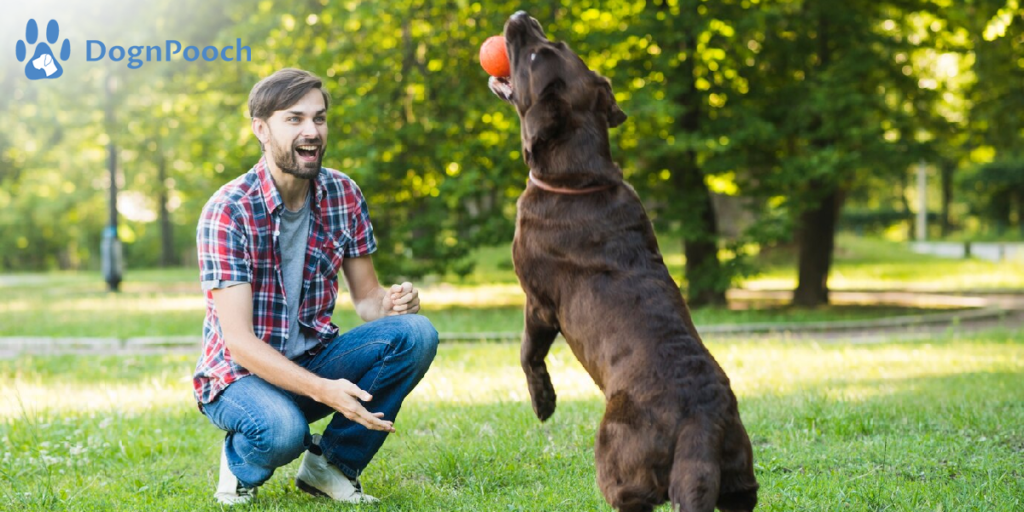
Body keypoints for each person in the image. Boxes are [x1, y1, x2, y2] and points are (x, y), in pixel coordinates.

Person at [193, 68, 438, 505]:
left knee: (416, 334)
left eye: (319, 119)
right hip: (239, 377)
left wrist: (394, 302)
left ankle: (331, 466)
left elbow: (367, 300)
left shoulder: (343, 194)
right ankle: (239, 462)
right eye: (295, 119)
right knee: (283, 432)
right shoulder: (228, 211)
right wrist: (324, 391)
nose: (312, 132)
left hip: (313, 360)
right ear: (261, 129)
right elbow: (239, 343)